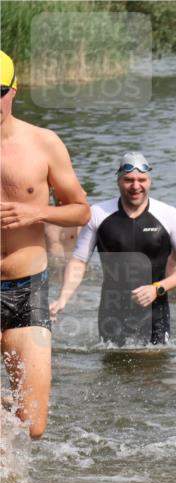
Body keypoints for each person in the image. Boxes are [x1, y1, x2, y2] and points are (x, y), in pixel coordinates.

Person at [1, 50, 90, 439]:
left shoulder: (43, 142)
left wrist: (36, 214)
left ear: (14, 90)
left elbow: (81, 210)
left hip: (26, 288)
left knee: (32, 425)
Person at [50, 152, 176, 346]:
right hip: (111, 310)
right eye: (129, 180)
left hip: (155, 309)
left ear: (149, 181)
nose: (136, 186)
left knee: (155, 369)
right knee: (112, 366)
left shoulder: (169, 215)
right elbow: (79, 261)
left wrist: (158, 288)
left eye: (141, 180)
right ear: (119, 182)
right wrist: (63, 298)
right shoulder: (98, 214)